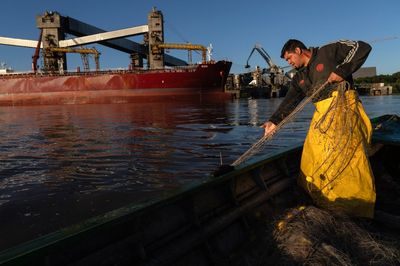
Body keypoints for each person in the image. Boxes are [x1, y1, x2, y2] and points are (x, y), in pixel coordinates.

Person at [262, 39, 375, 218]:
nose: (289, 62)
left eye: (289, 58)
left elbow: (361, 47)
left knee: (348, 158)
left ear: (298, 50)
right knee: (312, 156)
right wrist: (274, 121)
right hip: (322, 116)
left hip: (343, 108)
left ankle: (355, 208)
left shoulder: (328, 52)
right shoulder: (299, 77)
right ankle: (322, 200)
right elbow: (290, 101)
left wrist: (343, 70)